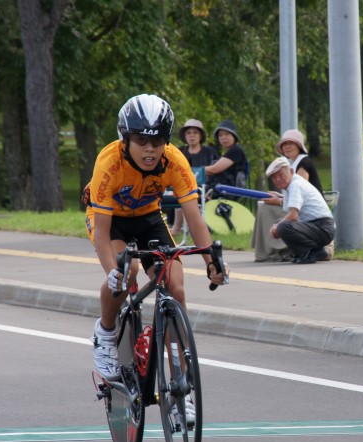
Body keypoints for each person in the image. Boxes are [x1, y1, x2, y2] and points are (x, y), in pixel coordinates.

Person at [84, 94, 226, 384]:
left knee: (176, 288)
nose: (150, 149)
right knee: (128, 271)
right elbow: (101, 232)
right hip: (112, 222)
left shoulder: (175, 161)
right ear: (125, 139)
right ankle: (106, 332)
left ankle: (181, 384)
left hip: (149, 218)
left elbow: (195, 218)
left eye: (157, 141)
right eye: (141, 141)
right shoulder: (108, 162)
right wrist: (113, 271)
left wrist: (212, 260)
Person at [252, 129, 326, 262]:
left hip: (308, 213)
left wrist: (279, 201)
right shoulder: (293, 164)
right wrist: (279, 196)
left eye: (291, 143)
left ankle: (278, 250)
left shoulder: (303, 164)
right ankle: (269, 250)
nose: (287, 146)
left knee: (266, 209)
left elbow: (300, 196)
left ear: (300, 146)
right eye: (284, 144)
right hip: (303, 210)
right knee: (263, 204)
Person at [264, 157, 335, 264]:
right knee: (281, 224)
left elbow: (293, 216)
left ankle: (315, 251)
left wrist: (277, 227)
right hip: (318, 227)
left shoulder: (295, 185)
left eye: (281, 175)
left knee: (283, 226)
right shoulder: (290, 186)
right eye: (274, 177)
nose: (278, 179)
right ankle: (306, 253)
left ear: (291, 171)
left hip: (323, 227)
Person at [169, 119, 218, 235]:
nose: (192, 135)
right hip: (179, 187)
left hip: (205, 189)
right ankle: (174, 228)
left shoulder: (209, 152)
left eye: (195, 132)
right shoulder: (179, 152)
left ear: (201, 135)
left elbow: (215, 172)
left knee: (184, 195)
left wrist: (210, 191)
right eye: (189, 133)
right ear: (185, 136)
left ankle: (178, 229)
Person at [204, 119, 249, 199]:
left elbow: (214, 169)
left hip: (226, 193)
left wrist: (191, 171)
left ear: (234, 136)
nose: (223, 137)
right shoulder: (227, 152)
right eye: (220, 135)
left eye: (227, 134)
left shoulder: (236, 150)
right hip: (218, 192)